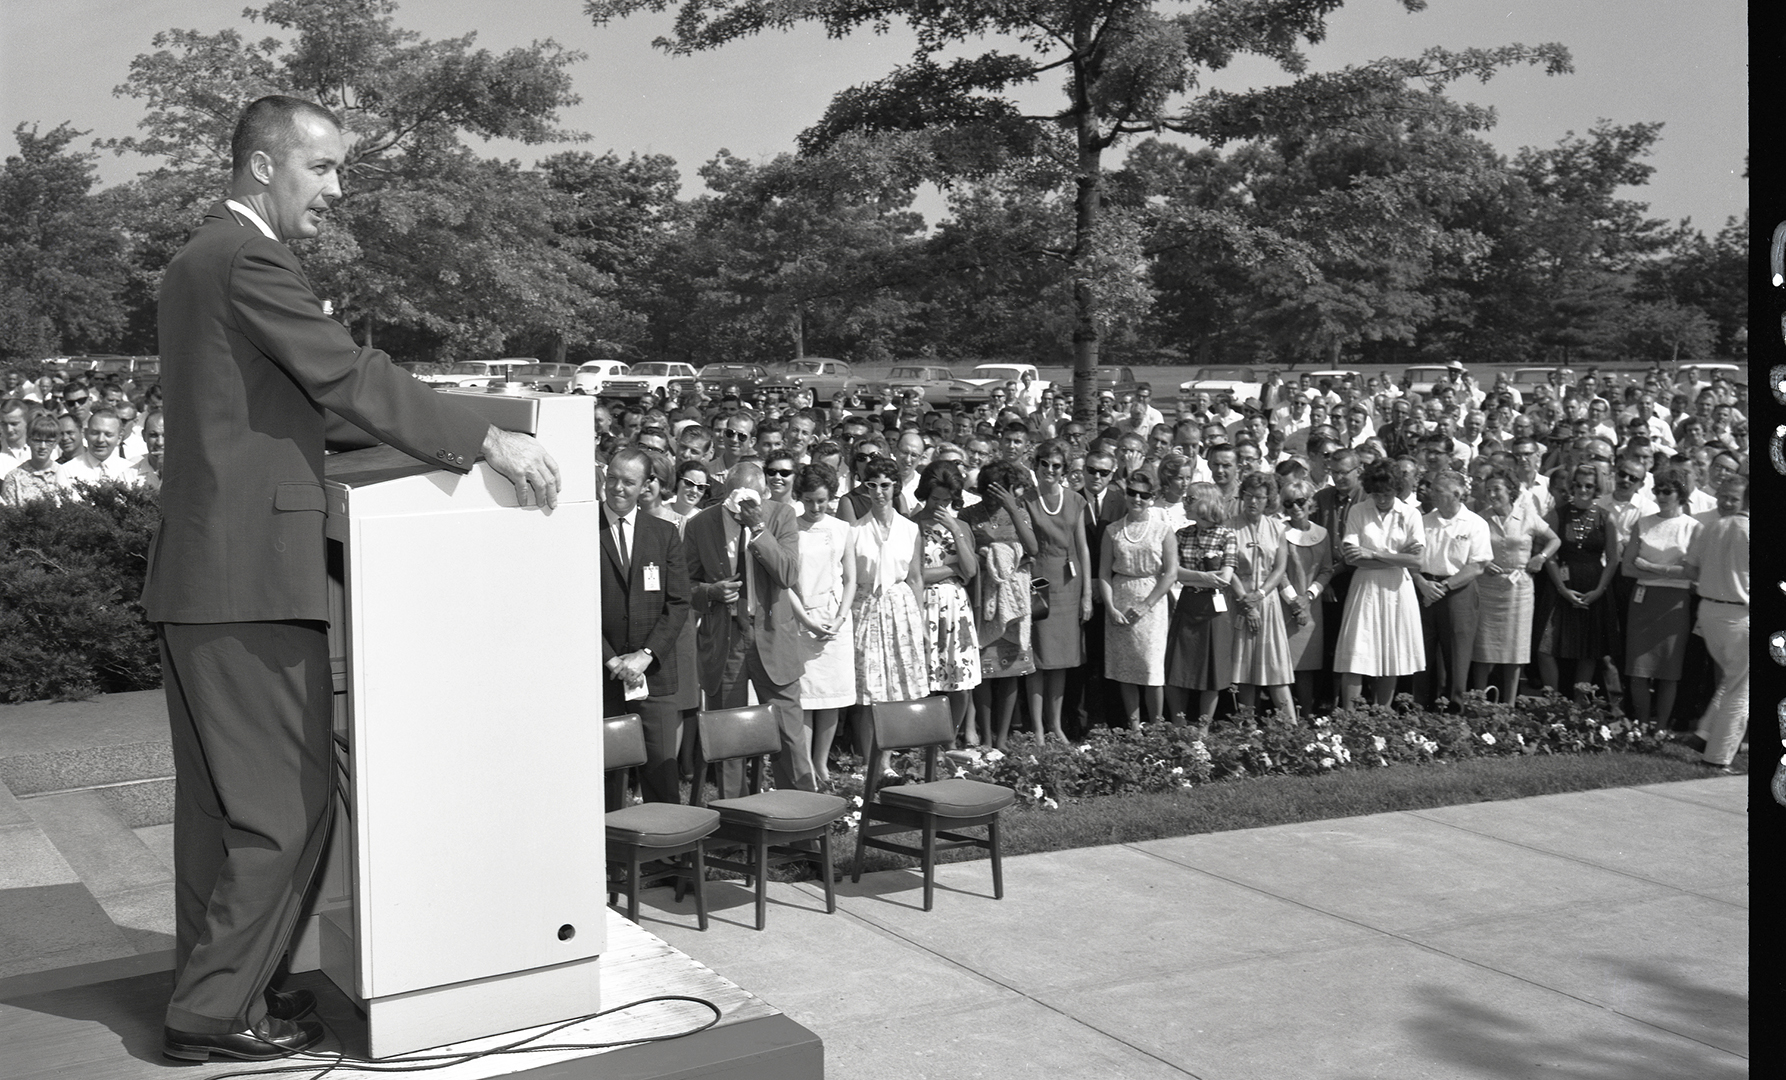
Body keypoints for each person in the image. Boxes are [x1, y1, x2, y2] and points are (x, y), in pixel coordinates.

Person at [144, 96, 560, 1064]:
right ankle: (213, 1013)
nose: (337, 190)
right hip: (250, 581)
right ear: (261, 167)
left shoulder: (198, 260)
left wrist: (446, 436)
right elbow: (346, 377)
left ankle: (231, 991)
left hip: (208, 578)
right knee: (288, 809)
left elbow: (284, 417)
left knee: (221, 814)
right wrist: (484, 435)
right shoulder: (247, 257)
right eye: (323, 168)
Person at [684, 462, 810, 792]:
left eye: (751, 500)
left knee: (789, 734)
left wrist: (758, 530)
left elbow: (787, 575)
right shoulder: (701, 525)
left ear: (765, 493)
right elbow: (683, 585)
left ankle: (800, 818)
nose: (741, 508)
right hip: (726, 638)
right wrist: (709, 592)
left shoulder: (781, 515)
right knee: (730, 735)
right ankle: (736, 823)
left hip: (772, 634)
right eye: (733, 500)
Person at [599, 448, 692, 806]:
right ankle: (610, 853)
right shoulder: (580, 529)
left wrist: (645, 656)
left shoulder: (664, 533)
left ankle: (665, 855)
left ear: (646, 485)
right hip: (602, 677)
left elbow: (678, 602)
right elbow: (575, 604)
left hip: (653, 677)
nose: (617, 488)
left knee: (660, 772)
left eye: (628, 482)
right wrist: (613, 663)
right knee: (606, 775)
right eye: (612, 478)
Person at [849, 457, 932, 758]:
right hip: (866, 607)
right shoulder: (855, 531)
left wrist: (921, 622)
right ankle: (868, 760)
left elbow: (916, 577)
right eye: (872, 485)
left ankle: (890, 757)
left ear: (895, 486)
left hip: (900, 608)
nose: (879, 492)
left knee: (898, 682)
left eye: (885, 485)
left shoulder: (910, 529)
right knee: (869, 688)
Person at [1333, 461, 1427, 707]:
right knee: (1356, 654)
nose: (1382, 499)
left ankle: (1382, 718)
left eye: (1387, 493)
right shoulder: (1358, 511)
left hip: (1398, 591)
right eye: (1377, 494)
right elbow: (1352, 557)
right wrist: (1396, 557)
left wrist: (1372, 554)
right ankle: (1349, 718)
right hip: (1365, 589)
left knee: (1390, 655)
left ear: (1397, 489)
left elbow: (1417, 559)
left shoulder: (1411, 514)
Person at [961, 460, 1039, 748]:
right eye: (991, 491)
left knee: (1010, 670)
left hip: (1014, 600)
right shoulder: (969, 514)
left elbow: (1032, 548)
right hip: (983, 597)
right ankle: (984, 733)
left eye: (1002, 491)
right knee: (984, 669)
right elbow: (965, 552)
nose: (995, 497)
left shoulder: (1019, 511)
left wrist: (1012, 507)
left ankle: (1003, 738)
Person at [788, 463, 857, 787]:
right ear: (799, 497)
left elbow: (851, 578)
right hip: (801, 619)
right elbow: (784, 582)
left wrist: (840, 618)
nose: (816, 508)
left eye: (822, 501)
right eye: (810, 501)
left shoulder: (843, 528)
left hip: (835, 619)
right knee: (806, 697)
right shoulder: (789, 528)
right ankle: (804, 769)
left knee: (831, 695)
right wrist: (805, 619)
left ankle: (821, 763)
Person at [1469, 471, 1561, 705]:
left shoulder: (1528, 516)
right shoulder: (1480, 519)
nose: (1491, 495)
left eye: (1497, 489)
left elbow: (1554, 540)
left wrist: (1540, 557)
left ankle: (1509, 706)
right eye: (1488, 490)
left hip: (1519, 590)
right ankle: (1479, 703)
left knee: (1514, 651)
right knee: (1483, 650)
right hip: (1487, 589)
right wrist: (1485, 562)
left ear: (1511, 491)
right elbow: (1469, 550)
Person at [1619, 468, 1701, 730]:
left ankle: (1661, 727)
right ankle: (1642, 726)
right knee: (1638, 669)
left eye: (1668, 491)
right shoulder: (1643, 523)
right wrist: (1669, 572)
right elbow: (1627, 568)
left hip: (1674, 604)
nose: (1661, 496)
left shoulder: (1693, 527)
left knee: (1669, 671)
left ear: (1681, 494)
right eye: (1657, 490)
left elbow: (1692, 573)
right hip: (1643, 600)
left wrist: (1653, 568)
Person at [1023, 439, 1092, 741]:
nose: (1049, 470)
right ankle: (1037, 728)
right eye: (1044, 464)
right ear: (1036, 465)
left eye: (1056, 466)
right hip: (1038, 582)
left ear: (1064, 470)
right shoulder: (1025, 498)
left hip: (1069, 583)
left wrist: (1087, 594)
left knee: (1062, 660)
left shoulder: (1076, 500)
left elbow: (1083, 549)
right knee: (1039, 659)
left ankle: (1056, 725)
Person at [1099, 469, 1178, 727]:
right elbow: (1103, 573)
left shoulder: (1163, 530)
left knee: (1151, 667)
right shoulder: (1112, 531)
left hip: (1152, 602)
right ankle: (1134, 728)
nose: (1137, 499)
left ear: (1152, 497)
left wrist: (1146, 605)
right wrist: (1110, 607)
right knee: (1126, 668)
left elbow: (1170, 573)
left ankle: (1156, 726)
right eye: (1132, 493)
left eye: (1144, 495)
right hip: (1121, 596)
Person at [912, 460, 982, 744]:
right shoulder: (911, 524)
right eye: (935, 498)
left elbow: (972, 569)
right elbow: (917, 574)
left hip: (955, 607)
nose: (940, 505)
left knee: (960, 680)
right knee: (927, 679)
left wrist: (955, 529)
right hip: (925, 603)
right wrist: (952, 570)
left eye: (947, 499)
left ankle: (950, 737)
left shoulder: (961, 524)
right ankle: (925, 739)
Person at [1682, 476, 1748, 772]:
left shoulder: (1712, 526)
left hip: (1708, 612)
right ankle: (1717, 757)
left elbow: (1690, 567)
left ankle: (1704, 733)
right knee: (1741, 689)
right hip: (1738, 616)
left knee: (1732, 679)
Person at [1538, 463, 1621, 699]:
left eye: (1589, 486)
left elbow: (1614, 559)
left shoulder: (1607, 518)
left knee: (1589, 649)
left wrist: (1599, 590)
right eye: (1578, 485)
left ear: (1596, 488)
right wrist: (1562, 589)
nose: (1583, 490)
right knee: (1546, 646)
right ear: (1571, 485)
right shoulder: (1557, 515)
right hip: (1560, 585)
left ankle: (1579, 704)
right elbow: (1550, 557)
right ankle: (1552, 702)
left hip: (1594, 584)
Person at [1413, 471, 1490, 710]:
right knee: (1422, 653)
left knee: (1457, 654)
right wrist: (1422, 583)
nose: (1431, 494)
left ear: (1457, 494)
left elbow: (1477, 565)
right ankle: (1419, 708)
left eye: (1438, 490)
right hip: (1424, 588)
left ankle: (1455, 710)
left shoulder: (1475, 523)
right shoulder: (1423, 521)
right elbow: (1410, 558)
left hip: (1458, 592)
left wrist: (1445, 586)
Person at [1227, 472, 1297, 719]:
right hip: (1239, 602)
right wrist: (1247, 604)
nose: (1253, 502)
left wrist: (1259, 595)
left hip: (1268, 603)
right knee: (1244, 671)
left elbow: (1279, 569)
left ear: (1269, 499)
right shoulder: (1229, 526)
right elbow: (1229, 569)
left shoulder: (1277, 527)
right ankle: (1246, 730)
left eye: (1259, 497)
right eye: (1248, 496)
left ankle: (1293, 732)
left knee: (1276, 669)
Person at [1165, 483, 1235, 725]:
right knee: (1176, 665)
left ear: (1205, 502)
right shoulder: (1181, 534)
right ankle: (1178, 724)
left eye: (1191, 498)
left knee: (1212, 669)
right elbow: (1173, 572)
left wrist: (1191, 575)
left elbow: (1225, 579)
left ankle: (1204, 729)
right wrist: (1204, 577)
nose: (1185, 503)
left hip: (1214, 609)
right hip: (1188, 601)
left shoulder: (1227, 535)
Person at [1277, 478, 1332, 717]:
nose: (1295, 508)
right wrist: (1294, 601)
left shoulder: (1323, 533)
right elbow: (1277, 571)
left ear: (1311, 503)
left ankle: (1307, 713)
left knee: (1306, 665)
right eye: (1289, 503)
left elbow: (1327, 569)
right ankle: (1284, 716)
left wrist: (1308, 596)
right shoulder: (1280, 531)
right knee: (1282, 663)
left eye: (1300, 501)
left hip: (1312, 604)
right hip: (1284, 604)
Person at [0, 413, 65, 505]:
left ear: (55, 443)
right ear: (28, 441)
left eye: (48, 441)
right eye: (37, 440)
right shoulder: (14, 478)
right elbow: (10, 516)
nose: (43, 446)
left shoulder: (65, 473)